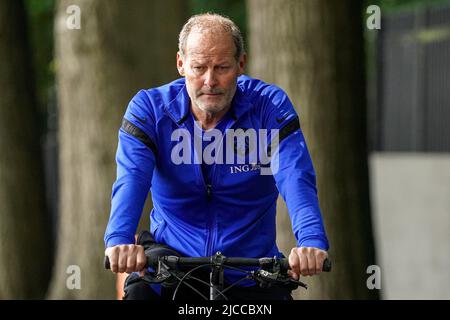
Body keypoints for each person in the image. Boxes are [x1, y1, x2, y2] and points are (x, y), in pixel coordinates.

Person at [104, 13, 329, 300]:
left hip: (251, 271)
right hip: (172, 267)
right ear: (181, 64)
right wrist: (119, 240)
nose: (210, 80)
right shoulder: (150, 109)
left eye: (222, 67)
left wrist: (311, 241)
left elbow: (295, 175)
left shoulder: (268, 107)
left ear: (241, 64)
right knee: (139, 294)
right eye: (199, 67)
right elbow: (131, 178)